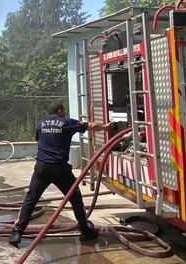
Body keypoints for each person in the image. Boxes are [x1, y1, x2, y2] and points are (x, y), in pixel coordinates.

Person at [9, 101, 112, 247]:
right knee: (75, 198)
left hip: (42, 168)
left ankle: (17, 233)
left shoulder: (41, 123)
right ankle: (85, 231)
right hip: (60, 169)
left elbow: (40, 140)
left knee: (31, 199)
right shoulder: (67, 123)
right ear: (60, 111)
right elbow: (91, 126)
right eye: (64, 110)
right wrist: (106, 127)